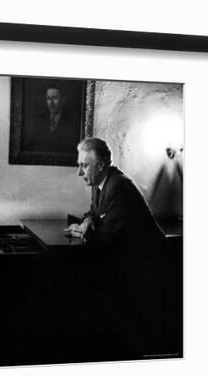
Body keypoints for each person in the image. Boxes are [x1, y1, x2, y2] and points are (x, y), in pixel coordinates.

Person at [65, 137, 174, 359]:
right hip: (131, 265)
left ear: (101, 165)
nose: (79, 172)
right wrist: (86, 222)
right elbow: (94, 214)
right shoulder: (101, 184)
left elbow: (106, 236)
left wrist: (83, 229)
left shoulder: (119, 186)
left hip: (150, 269)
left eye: (84, 165)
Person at [24, 83, 79, 154]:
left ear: (62, 100)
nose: (51, 103)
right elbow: (32, 146)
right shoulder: (39, 120)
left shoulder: (71, 122)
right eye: (48, 98)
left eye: (55, 98)